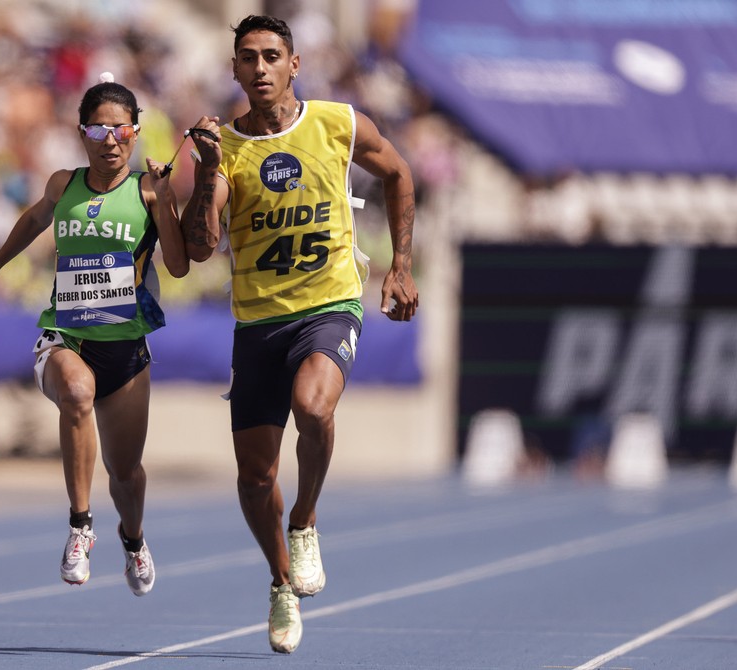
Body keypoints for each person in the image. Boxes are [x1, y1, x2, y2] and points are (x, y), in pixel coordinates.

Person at [180, 15, 419, 654]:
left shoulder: (337, 124)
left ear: (294, 64)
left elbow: (398, 173)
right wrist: (206, 173)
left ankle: (306, 519)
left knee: (313, 406)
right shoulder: (225, 147)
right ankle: (282, 582)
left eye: (271, 56)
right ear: (233, 70)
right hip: (257, 323)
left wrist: (400, 265)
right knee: (255, 478)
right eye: (247, 58)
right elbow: (201, 248)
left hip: (328, 305)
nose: (259, 68)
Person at [0, 74, 188, 596]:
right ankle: (80, 527)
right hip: (65, 335)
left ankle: (132, 539)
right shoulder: (64, 183)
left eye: (121, 130)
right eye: (99, 129)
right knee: (77, 393)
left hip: (126, 346)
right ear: (81, 132)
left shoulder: (148, 189)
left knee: (126, 474)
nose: (111, 140)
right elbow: (34, 220)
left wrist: (168, 201)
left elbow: (176, 266)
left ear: (136, 132)